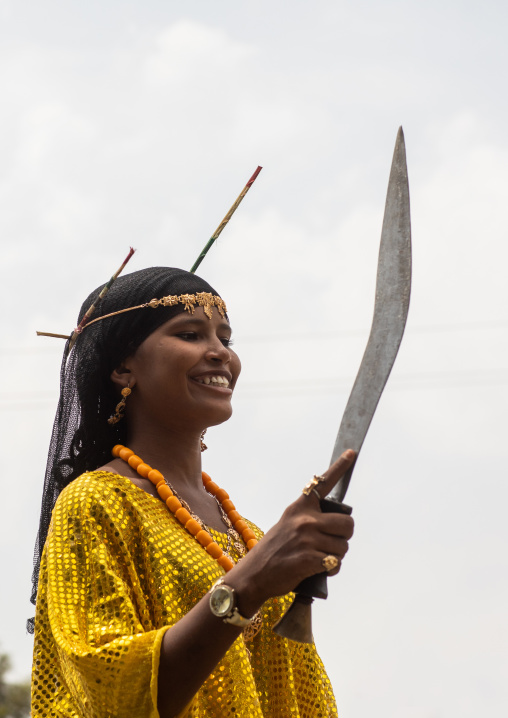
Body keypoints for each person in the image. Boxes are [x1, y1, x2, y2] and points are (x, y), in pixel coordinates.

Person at [30, 266, 355, 718]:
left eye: (226, 338)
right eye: (190, 334)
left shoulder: (253, 537)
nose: (220, 353)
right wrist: (250, 582)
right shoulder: (97, 503)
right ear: (124, 367)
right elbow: (111, 698)